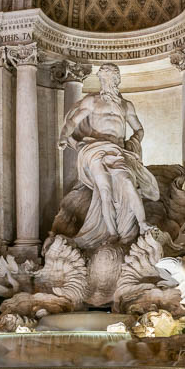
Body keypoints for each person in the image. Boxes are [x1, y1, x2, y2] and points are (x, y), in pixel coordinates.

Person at [57, 63, 159, 248]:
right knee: (105, 190)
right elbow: (72, 121)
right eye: (104, 78)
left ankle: (143, 224)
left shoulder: (126, 105)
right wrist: (64, 136)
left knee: (128, 182)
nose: (108, 82)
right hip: (95, 148)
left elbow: (139, 129)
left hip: (117, 150)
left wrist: (133, 142)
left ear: (117, 80)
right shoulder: (91, 101)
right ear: (101, 80)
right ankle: (112, 234)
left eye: (112, 78)